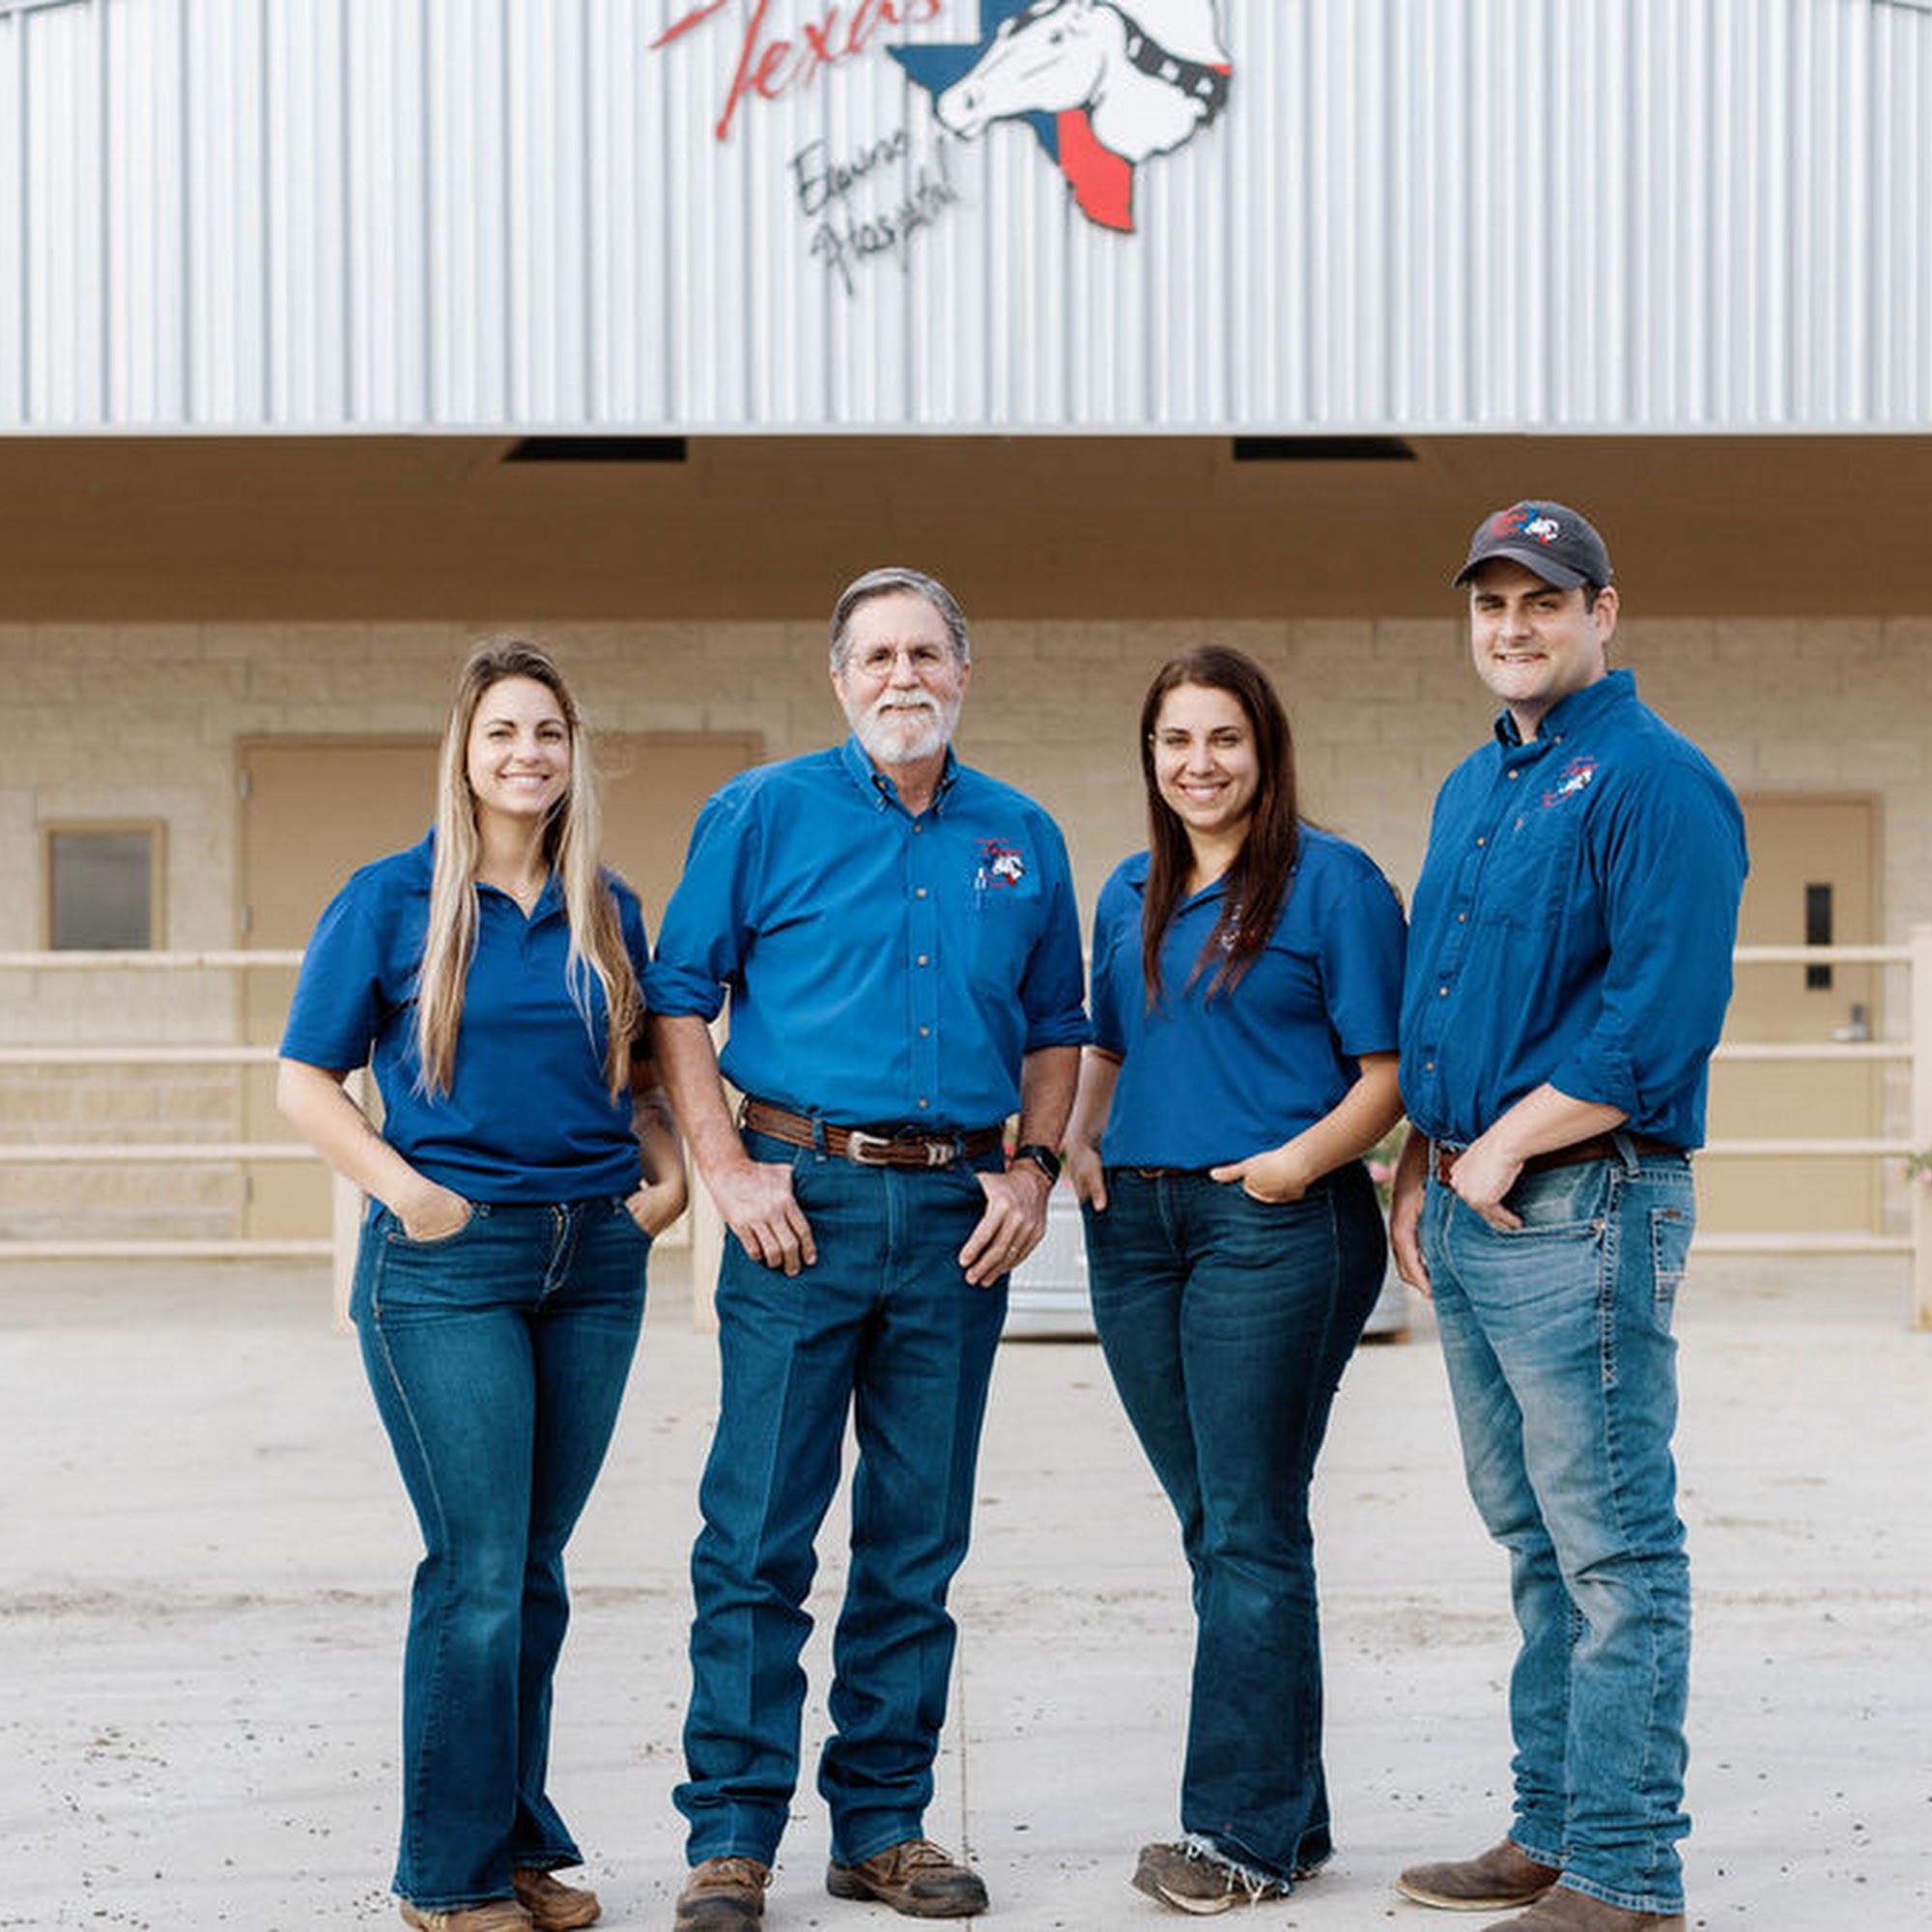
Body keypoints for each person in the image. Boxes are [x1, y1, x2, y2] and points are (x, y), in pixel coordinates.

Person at [646, 566, 1087, 1929]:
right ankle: (731, 1837)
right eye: (877, 656)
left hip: (958, 1221)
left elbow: (1057, 1023)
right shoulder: (762, 812)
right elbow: (676, 996)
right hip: (799, 1211)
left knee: (915, 1540)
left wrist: (1035, 1167)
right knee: (760, 1534)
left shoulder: (1021, 834)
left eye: (926, 654)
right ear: (839, 680)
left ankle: (885, 1826)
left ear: (966, 671)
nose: (904, 676)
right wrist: (724, 1165)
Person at [278, 639, 686, 1932]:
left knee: (535, 1566)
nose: (527, 754)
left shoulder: (609, 904)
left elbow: (641, 1077)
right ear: (464, 752)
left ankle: (513, 1847)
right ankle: (445, 1880)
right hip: (447, 1265)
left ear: (573, 755)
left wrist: (663, 1174)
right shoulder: (392, 900)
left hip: (594, 1259)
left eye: (548, 733)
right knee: (476, 1566)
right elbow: (304, 1082)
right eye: (503, 732)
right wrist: (408, 1194)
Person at [1389, 504, 1747, 1932]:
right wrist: (1428, 1158)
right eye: (1491, 606)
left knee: (1612, 1549)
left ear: (1608, 612)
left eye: (1545, 601)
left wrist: (1507, 1147)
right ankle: (1550, 1827)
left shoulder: (1659, 782)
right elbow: (1448, 1000)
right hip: (1475, 1202)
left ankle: (1625, 1873)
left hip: (1585, 1204)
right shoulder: (1479, 790)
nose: (1514, 628)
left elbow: (1658, 1021)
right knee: (1535, 1541)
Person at [1063, 645, 1406, 1914]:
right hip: (1136, 1233)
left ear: (1265, 752)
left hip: (1274, 1230)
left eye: (1224, 740)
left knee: (1248, 1523)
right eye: (1175, 742)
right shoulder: (1126, 891)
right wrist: (1083, 1146)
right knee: (1227, 1527)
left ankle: (1236, 1838)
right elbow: (1106, 1039)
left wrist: (1287, 1168)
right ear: (1150, 757)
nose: (1198, 763)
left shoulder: (1336, 886)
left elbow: (1389, 1073)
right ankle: (1292, 1818)